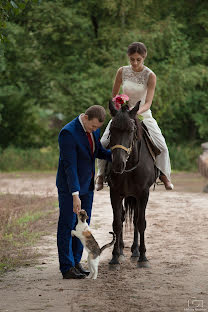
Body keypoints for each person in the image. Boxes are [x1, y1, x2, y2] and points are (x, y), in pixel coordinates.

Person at [96, 41, 174, 191]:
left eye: (138, 59)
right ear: (128, 57)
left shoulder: (150, 75)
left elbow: (148, 102)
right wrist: (118, 104)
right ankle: (101, 175)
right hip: (122, 114)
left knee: (162, 145)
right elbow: (114, 95)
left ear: (144, 57)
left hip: (142, 113)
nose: (135, 63)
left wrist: (135, 113)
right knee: (104, 141)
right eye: (132, 59)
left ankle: (163, 174)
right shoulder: (122, 71)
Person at [56, 105, 111, 279]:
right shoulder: (68, 133)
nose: (95, 130)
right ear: (85, 118)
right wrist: (75, 194)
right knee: (67, 225)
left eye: (97, 128)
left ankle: (76, 262)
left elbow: (99, 151)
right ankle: (66, 267)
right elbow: (69, 167)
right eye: (93, 126)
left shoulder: (94, 129)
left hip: (87, 186)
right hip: (70, 188)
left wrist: (118, 154)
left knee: (83, 226)